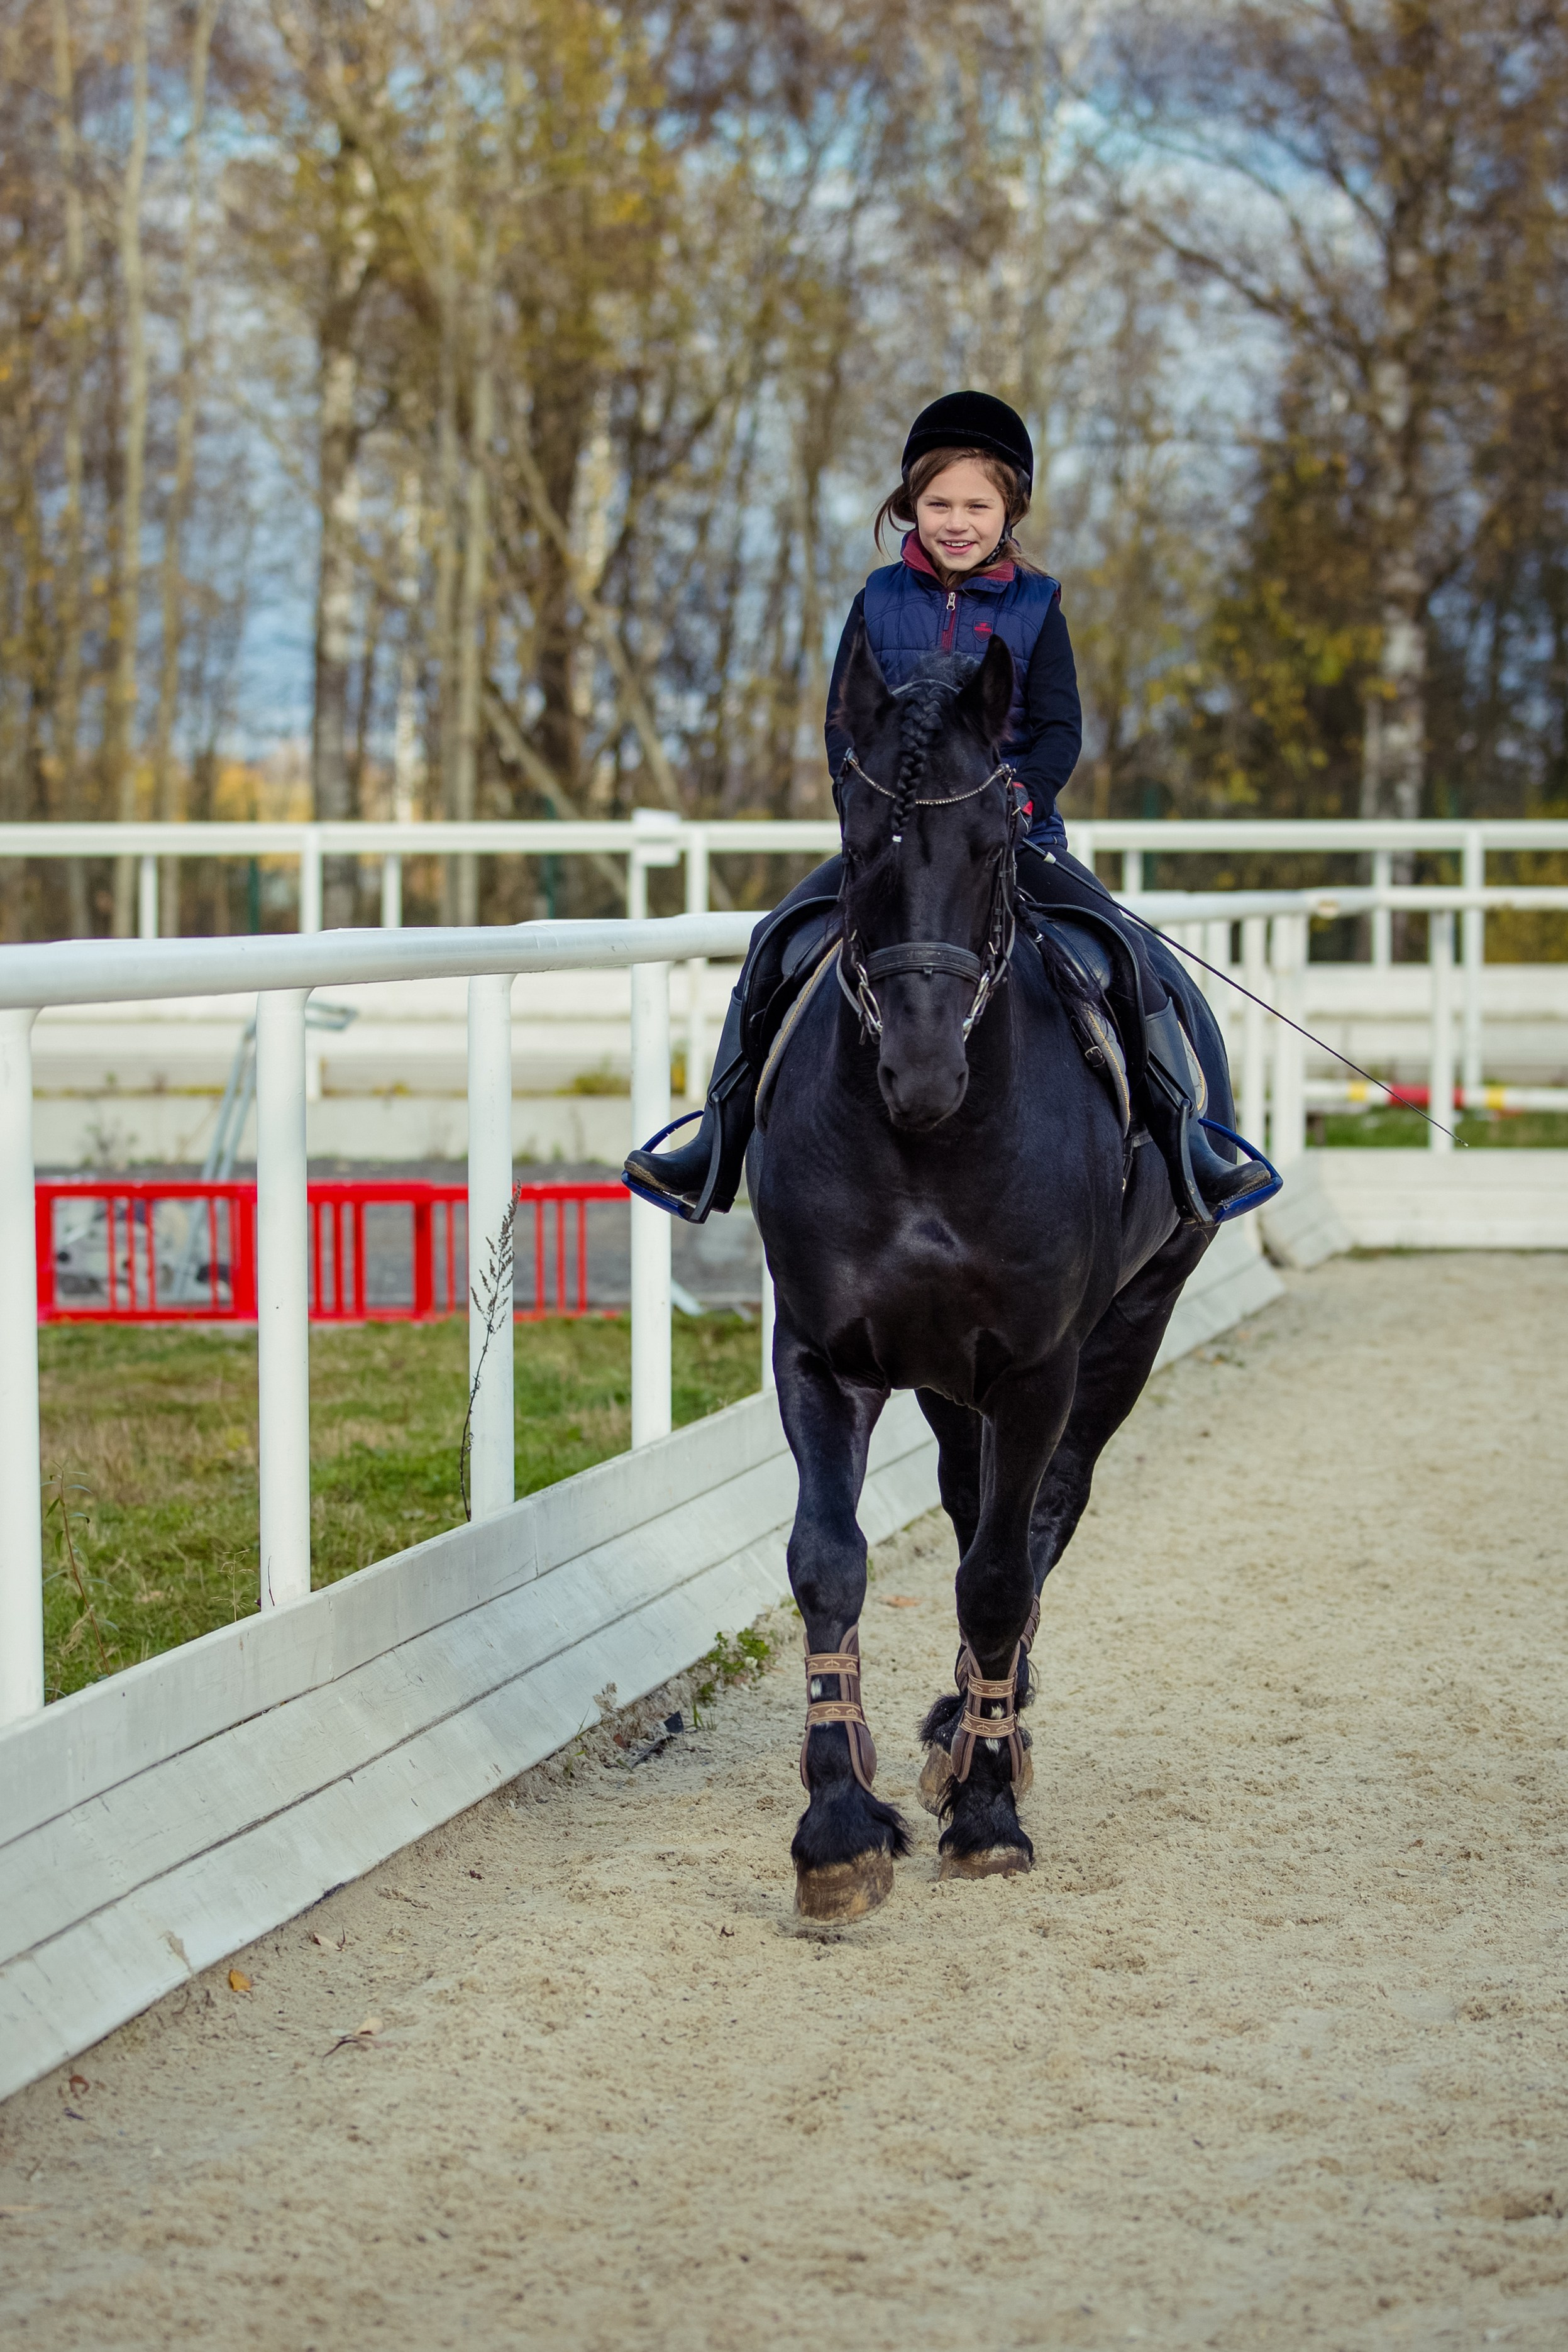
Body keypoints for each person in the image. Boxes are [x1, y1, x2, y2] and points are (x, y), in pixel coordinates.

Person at [623, 389, 1273, 1229]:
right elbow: (843, 724)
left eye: (976, 504)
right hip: (890, 844)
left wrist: (1019, 796)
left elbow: (1059, 734)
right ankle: (715, 1140)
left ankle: (1191, 1146)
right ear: (907, 505)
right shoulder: (875, 602)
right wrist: (867, 818)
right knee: (774, 942)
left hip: (1008, 838)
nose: (955, 520)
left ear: (1009, 510)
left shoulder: (1039, 610)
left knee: (1126, 953)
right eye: (937, 503)